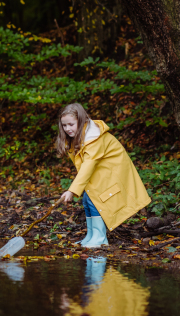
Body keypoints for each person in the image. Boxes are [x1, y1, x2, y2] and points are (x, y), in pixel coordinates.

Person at [56, 103, 151, 248]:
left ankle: (100, 237)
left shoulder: (93, 138)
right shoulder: (82, 136)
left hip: (112, 173)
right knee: (87, 200)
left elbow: (88, 166)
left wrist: (72, 190)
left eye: (71, 124)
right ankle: (91, 235)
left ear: (81, 121)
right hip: (100, 173)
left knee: (96, 202)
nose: (68, 129)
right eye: (64, 125)